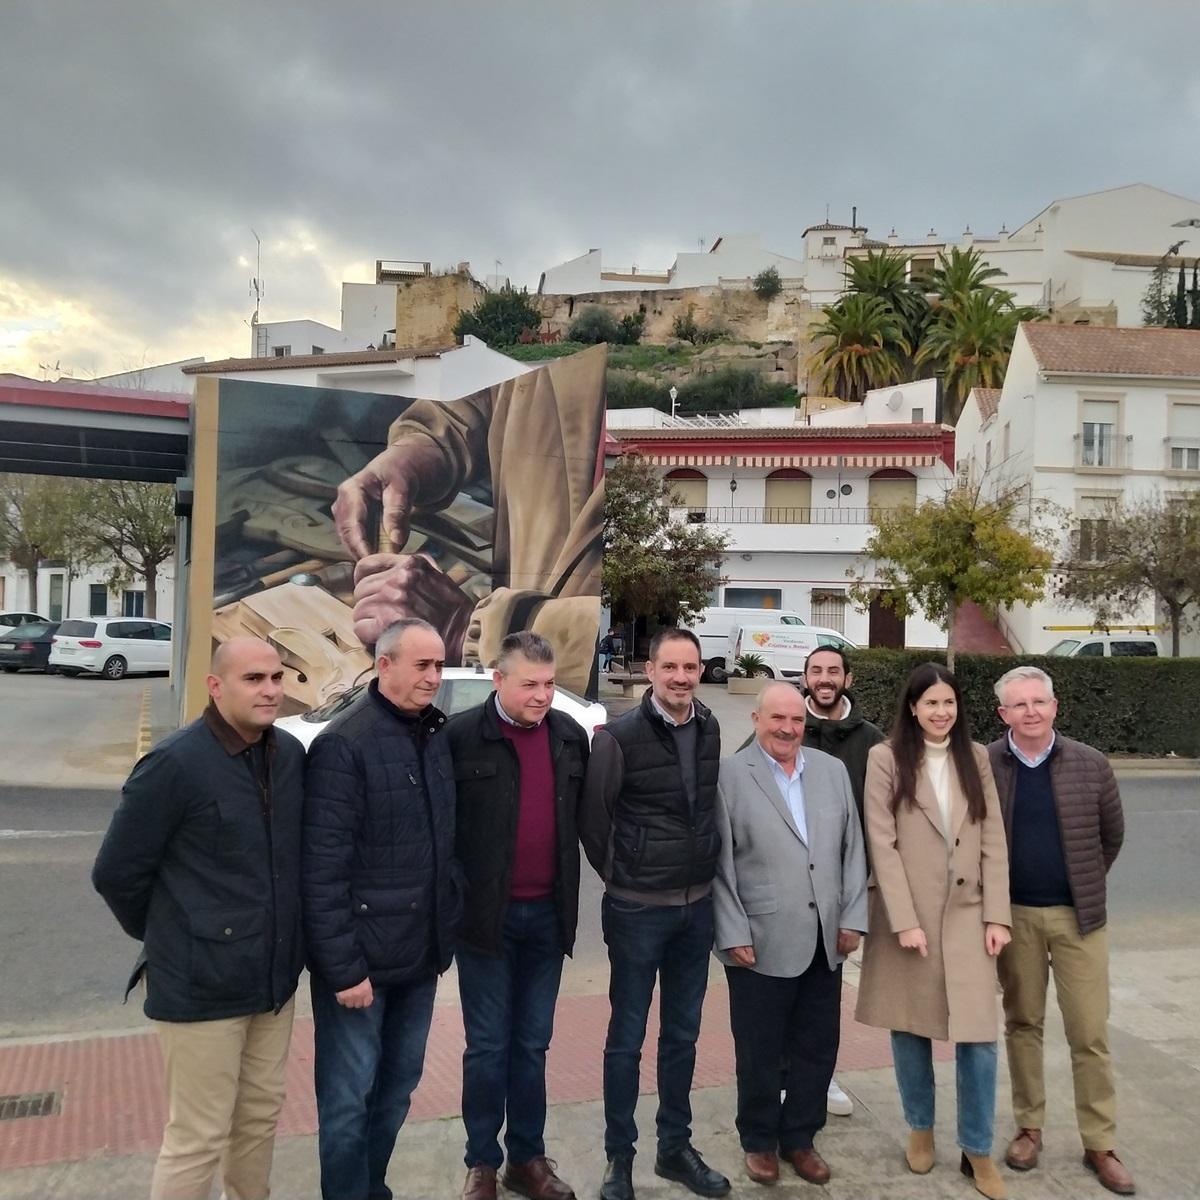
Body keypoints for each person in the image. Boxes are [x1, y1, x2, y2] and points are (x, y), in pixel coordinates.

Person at [92, 637, 305, 1200]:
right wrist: (176, 934)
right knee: (198, 1135)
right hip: (199, 986)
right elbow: (116, 873)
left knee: (258, 1120)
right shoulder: (174, 764)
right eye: (253, 679)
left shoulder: (289, 757)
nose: (270, 691)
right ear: (216, 686)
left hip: (273, 983)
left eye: (276, 678)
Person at [331, 347, 606, 695]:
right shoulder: (568, 353)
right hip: (502, 687)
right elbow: (492, 399)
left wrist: (467, 629)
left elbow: (607, 632)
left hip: (560, 692)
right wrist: (418, 449)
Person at [302, 617, 462, 1200]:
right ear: (383, 664)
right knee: (348, 1101)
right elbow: (321, 869)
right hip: (360, 971)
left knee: (397, 1089)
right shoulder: (344, 744)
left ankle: (372, 1188)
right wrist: (344, 968)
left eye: (439, 666)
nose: (434, 677)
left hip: (419, 960)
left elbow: (446, 845)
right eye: (422, 665)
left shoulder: (434, 735)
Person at [580, 628, 730, 1200]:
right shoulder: (617, 738)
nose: (680, 678)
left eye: (689, 667)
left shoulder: (711, 727)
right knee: (626, 1037)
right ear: (650, 669)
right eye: (670, 667)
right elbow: (594, 822)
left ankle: (674, 1148)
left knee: (683, 1036)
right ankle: (619, 1157)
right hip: (638, 910)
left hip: (696, 910)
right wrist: (625, 875)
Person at [855, 663, 1012, 1200]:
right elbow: (883, 843)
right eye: (930, 704)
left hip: (969, 915)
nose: (941, 713)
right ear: (913, 708)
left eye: (949, 703)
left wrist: (998, 915)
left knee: (979, 1039)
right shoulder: (886, 759)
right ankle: (920, 1127)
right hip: (912, 918)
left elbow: (993, 836)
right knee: (910, 1026)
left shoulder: (978, 758)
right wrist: (904, 920)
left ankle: (977, 1148)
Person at [446, 632, 590, 1200]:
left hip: (547, 920)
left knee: (532, 1045)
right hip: (486, 924)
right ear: (497, 679)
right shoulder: (460, 738)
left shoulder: (568, 737)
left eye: (550, 684)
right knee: (487, 1046)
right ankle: (481, 1162)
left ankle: (526, 1159)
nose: (542, 696)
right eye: (529, 684)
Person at [713, 681, 868, 1186]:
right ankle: (759, 1140)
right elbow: (720, 864)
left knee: (817, 1046)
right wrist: (732, 929)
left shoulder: (832, 771)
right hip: (758, 939)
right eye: (776, 718)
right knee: (757, 1050)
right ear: (756, 719)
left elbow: (853, 850)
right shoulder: (730, 776)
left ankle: (800, 1137)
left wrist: (852, 917)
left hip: (827, 937)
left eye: (796, 720)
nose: (787, 728)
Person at [989, 666, 1134, 1197]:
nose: (1030, 711)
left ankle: (1100, 1142)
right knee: (1023, 1023)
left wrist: (1084, 884)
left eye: (1039, 702)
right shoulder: (987, 764)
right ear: (1002, 714)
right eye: (1018, 704)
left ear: (1055, 707)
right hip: (1015, 918)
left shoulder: (1091, 764)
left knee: (1089, 1033)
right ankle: (1030, 1127)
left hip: (1079, 919)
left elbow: (1111, 837)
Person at [797, 645, 884, 1117]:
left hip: (842, 886)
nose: (824, 678)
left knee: (824, 993)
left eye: (833, 671)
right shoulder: (785, 723)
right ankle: (785, 1077)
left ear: (847, 679)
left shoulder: (871, 740)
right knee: (783, 986)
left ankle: (821, 1078)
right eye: (816, 671)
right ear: (805, 677)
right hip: (789, 885)